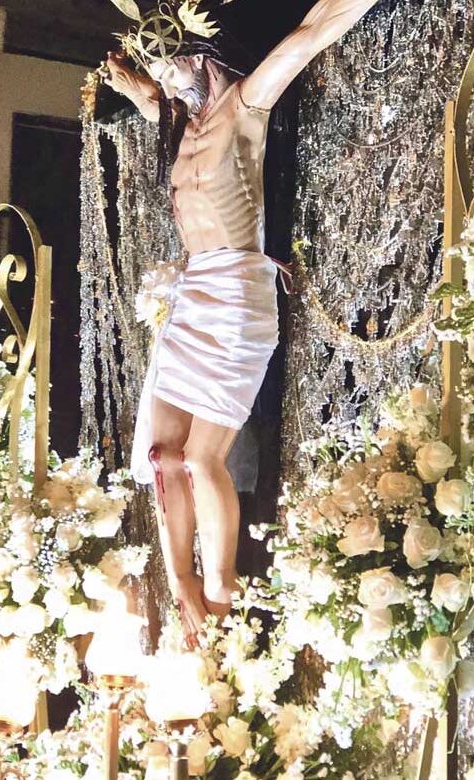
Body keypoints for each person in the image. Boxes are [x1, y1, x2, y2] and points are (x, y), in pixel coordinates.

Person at [103, 0, 379, 645]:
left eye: (177, 65)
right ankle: (180, 585)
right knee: (163, 456)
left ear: (209, 60)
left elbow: (310, 35)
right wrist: (140, 83)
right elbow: (160, 102)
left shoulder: (247, 106)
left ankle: (221, 582)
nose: (168, 77)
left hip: (239, 296)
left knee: (201, 460)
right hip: (195, 292)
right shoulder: (184, 125)